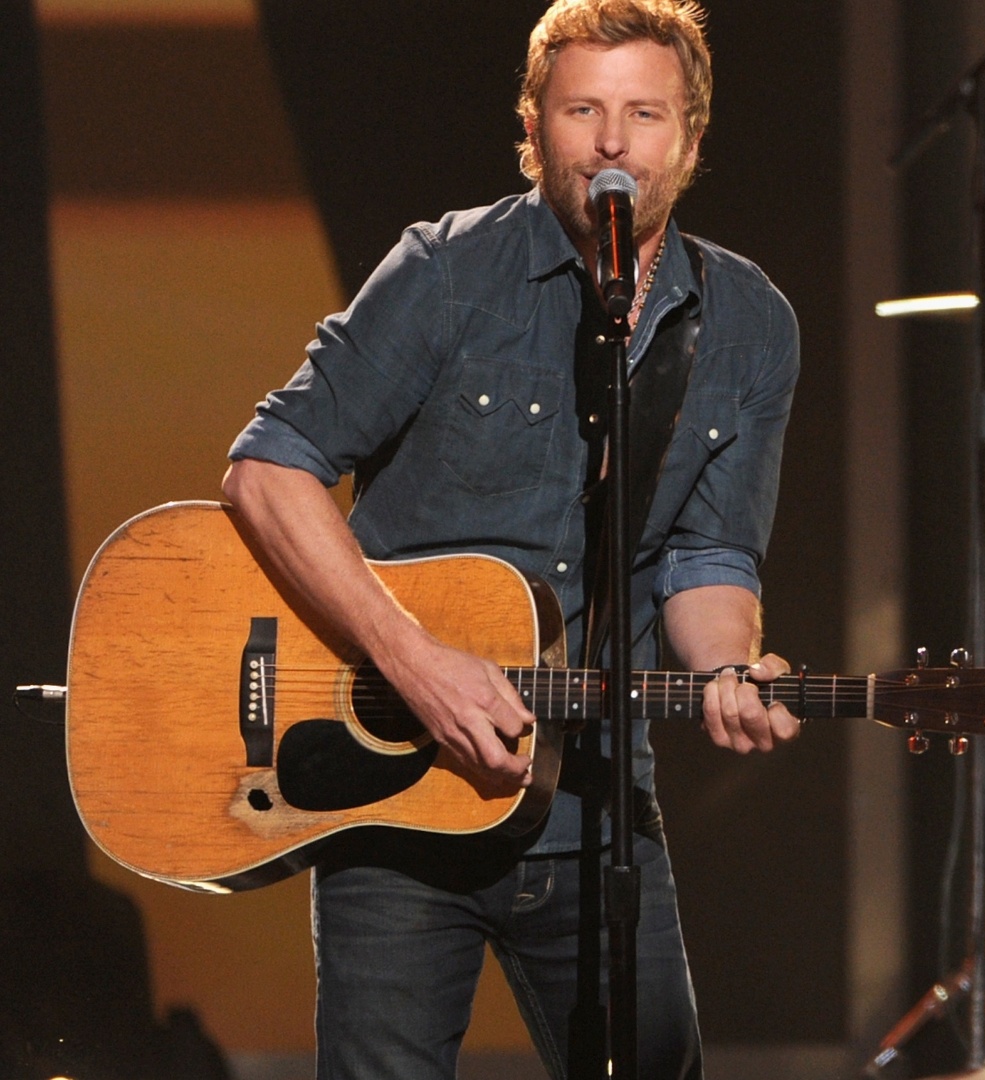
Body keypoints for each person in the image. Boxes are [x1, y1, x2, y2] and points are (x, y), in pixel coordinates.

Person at [220, 1, 800, 1076]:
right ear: (535, 129)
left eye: (645, 114)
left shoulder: (752, 324)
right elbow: (269, 466)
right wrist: (413, 660)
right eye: (583, 110)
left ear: (691, 137)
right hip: (392, 803)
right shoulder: (447, 271)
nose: (614, 142)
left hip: (593, 805)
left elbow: (708, 556)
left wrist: (727, 664)